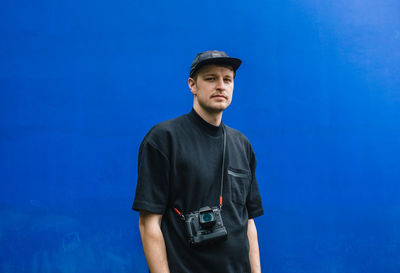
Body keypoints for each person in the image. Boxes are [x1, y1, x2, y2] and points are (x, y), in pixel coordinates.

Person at [132, 50, 264, 273]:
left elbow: (248, 223)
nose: (220, 86)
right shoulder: (164, 139)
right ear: (192, 85)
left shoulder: (242, 145)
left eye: (227, 79)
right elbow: (148, 224)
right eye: (211, 78)